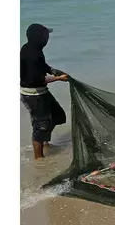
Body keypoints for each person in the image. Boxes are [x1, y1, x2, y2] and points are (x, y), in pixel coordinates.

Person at [20, 23, 68, 160]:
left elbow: (42, 66)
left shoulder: (32, 49)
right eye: (46, 35)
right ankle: (39, 158)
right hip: (33, 95)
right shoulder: (31, 54)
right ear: (39, 37)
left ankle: (45, 142)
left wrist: (52, 70)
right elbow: (38, 80)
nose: (48, 38)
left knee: (58, 115)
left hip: (40, 92)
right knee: (40, 127)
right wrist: (58, 78)